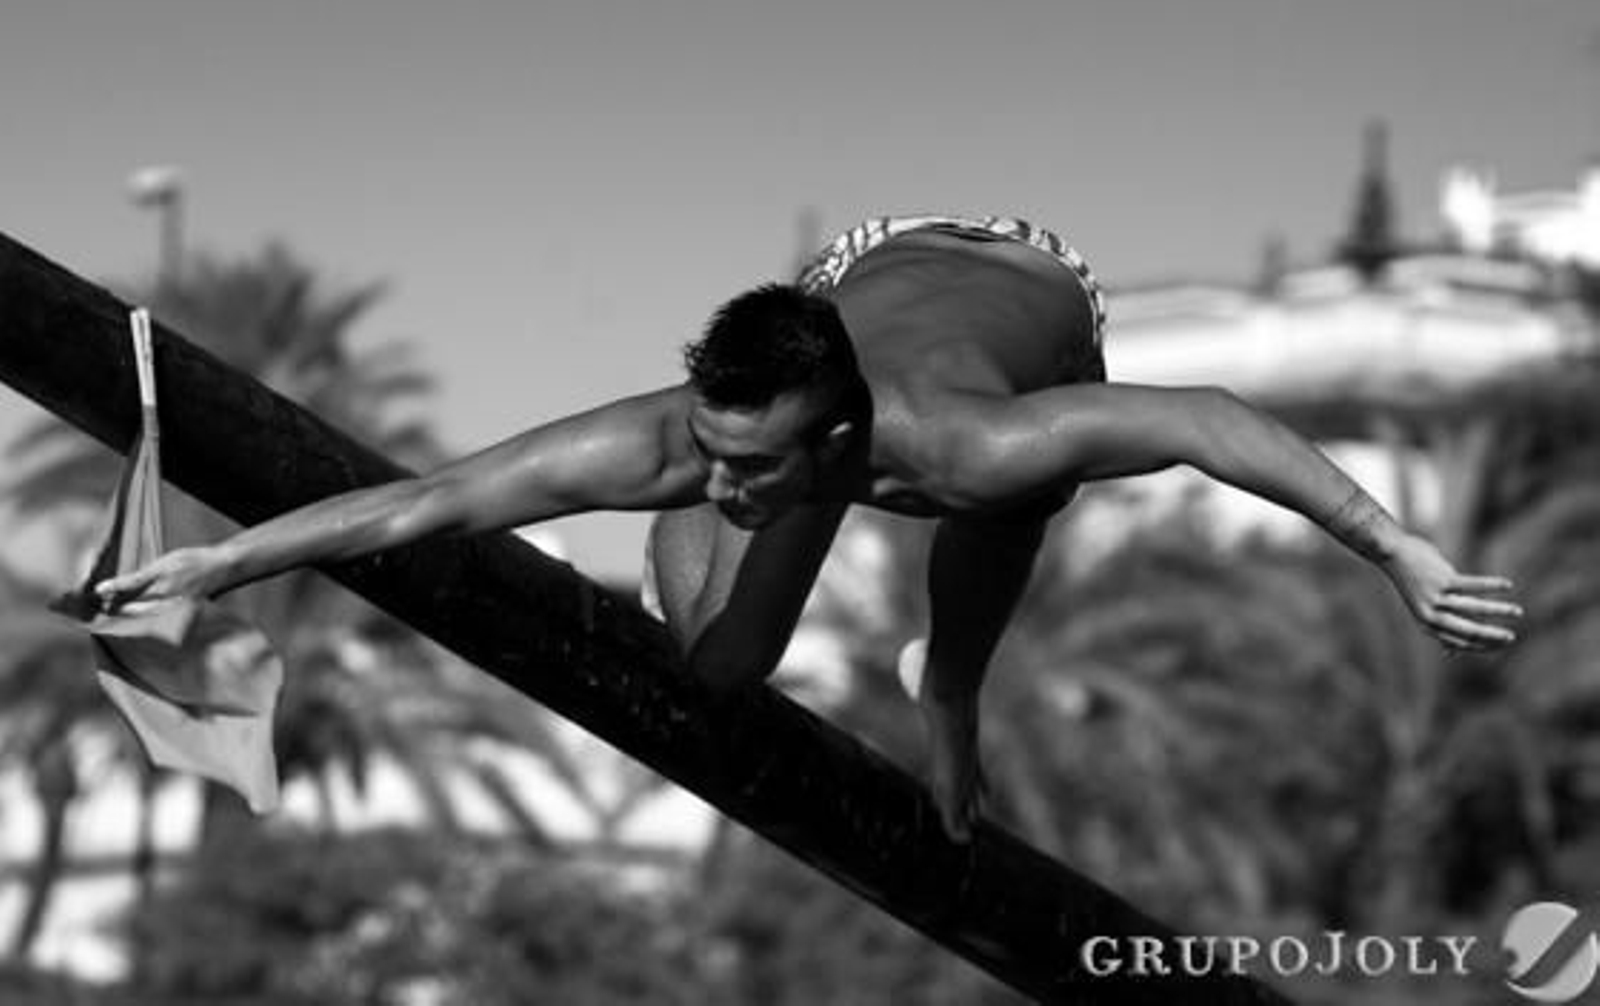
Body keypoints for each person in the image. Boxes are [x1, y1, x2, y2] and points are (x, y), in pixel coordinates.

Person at [95, 213, 1523, 842]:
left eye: (750, 472)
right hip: (862, 269)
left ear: (834, 442)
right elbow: (427, 499)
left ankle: (947, 688)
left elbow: (1214, 417)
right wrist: (225, 556)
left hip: (1032, 293)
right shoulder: (683, 436)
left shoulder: (976, 442)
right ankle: (729, 614)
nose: (716, 483)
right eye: (705, 456)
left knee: (1009, 509)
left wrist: (1392, 542)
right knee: (716, 672)